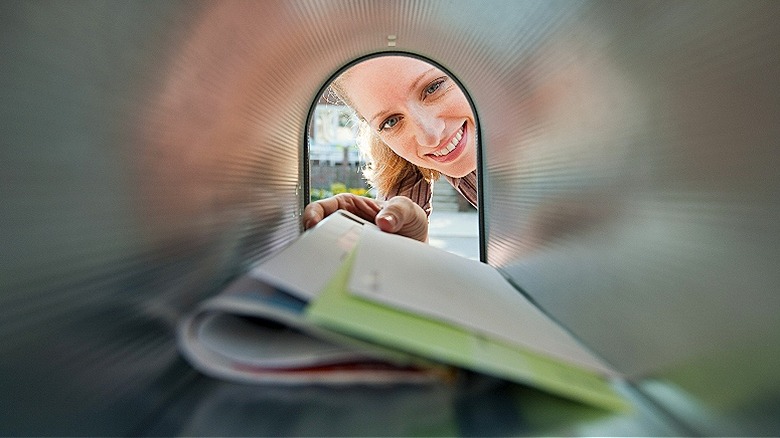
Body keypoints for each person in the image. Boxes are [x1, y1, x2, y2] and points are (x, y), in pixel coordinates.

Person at [303, 55, 478, 242]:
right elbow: (400, 252)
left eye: (433, 88)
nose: (431, 137)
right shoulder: (402, 160)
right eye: (391, 121)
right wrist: (399, 244)